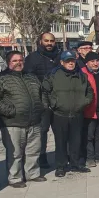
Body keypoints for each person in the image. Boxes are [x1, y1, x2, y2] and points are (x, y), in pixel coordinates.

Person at [0, 51, 46, 188]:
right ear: (8, 63)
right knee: (15, 152)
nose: (19, 63)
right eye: (15, 61)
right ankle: (15, 177)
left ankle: (32, 173)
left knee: (33, 150)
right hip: (13, 122)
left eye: (21, 60)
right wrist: (9, 111)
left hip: (34, 120)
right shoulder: (0, 79)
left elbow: (41, 93)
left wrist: (42, 106)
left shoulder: (31, 76)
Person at [41, 51, 92, 177]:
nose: (71, 63)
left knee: (76, 141)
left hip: (77, 113)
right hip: (59, 114)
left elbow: (89, 91)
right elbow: (44, 91)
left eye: (72, 61)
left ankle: (75, 164)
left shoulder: (81, 75)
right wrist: (51, 105)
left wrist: (84, 102)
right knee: (61, 142)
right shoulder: (53, 75)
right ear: (62, 62)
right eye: (68, 61)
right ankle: (61, 166)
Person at [24, 32, 60, 168]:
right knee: (42, 131)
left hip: (58, 101)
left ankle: (61, 155)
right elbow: (29, 79)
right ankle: (42, 156)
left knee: (60, 130)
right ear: (41, 42)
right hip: (41, 102)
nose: (49, 43)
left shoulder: (59, 57)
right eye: (46, 41)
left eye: (52, 41)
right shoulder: (32, 58)